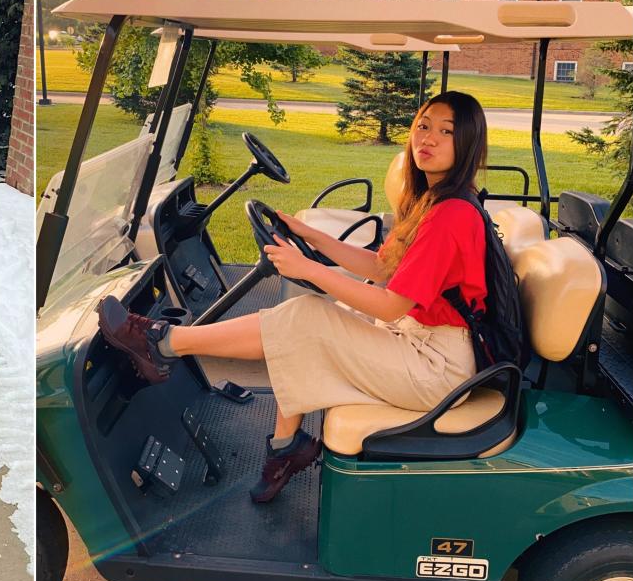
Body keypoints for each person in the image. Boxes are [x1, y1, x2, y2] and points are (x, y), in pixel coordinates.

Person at [99, 91, 487, 503]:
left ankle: (163, 343)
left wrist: (308, 268)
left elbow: (392, 302)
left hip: (435, 370)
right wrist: (312, 237)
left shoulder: (451, 215)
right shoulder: (431, 201)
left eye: (446, 132)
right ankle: (285, 447)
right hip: (417, 344)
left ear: (466, 144)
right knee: (307, 319)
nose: (428, 139)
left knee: (307, 317)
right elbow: (382, 267)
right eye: (423, 126)